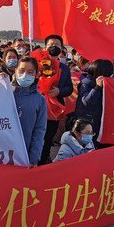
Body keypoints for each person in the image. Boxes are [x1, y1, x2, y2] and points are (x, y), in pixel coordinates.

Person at [40, 34, 74, 164]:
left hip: (54, 109)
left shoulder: (64, 68)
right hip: (39, 106)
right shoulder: (38, 64)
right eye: (51, 45)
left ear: (61, 48)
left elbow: (69, 88)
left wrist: (59, 91)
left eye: (57, 45)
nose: (54, 47)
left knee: (49, 136)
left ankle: (44, 159)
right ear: (45, 47)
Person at [12, 56, 47, 166]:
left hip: (24, 154)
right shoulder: (5, 92)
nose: (25, 75)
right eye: (21, 71)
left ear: (36, 74)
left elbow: (39, 130)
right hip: (2, 152)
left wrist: (34, 157)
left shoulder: (40, 100)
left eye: (30, 72)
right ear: (15, 71)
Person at [73, 59, 114, 141]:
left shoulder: (105, 84)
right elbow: (87, 102)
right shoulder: (86, 83)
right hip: (86, 122)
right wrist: (97, 87)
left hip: (98, 120)